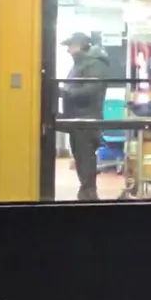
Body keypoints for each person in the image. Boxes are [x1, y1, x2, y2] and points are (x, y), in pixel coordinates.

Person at [59, 32, 109, 201]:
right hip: (77, 119)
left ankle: (89, 197)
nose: (68, 50)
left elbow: (91, 90)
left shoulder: (95, 64)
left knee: (85, 159)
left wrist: (66, 92)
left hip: (87, 120)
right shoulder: (81, 64)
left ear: (80, 45)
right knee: (80, 159)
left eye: (71, 46)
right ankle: (86, 194)